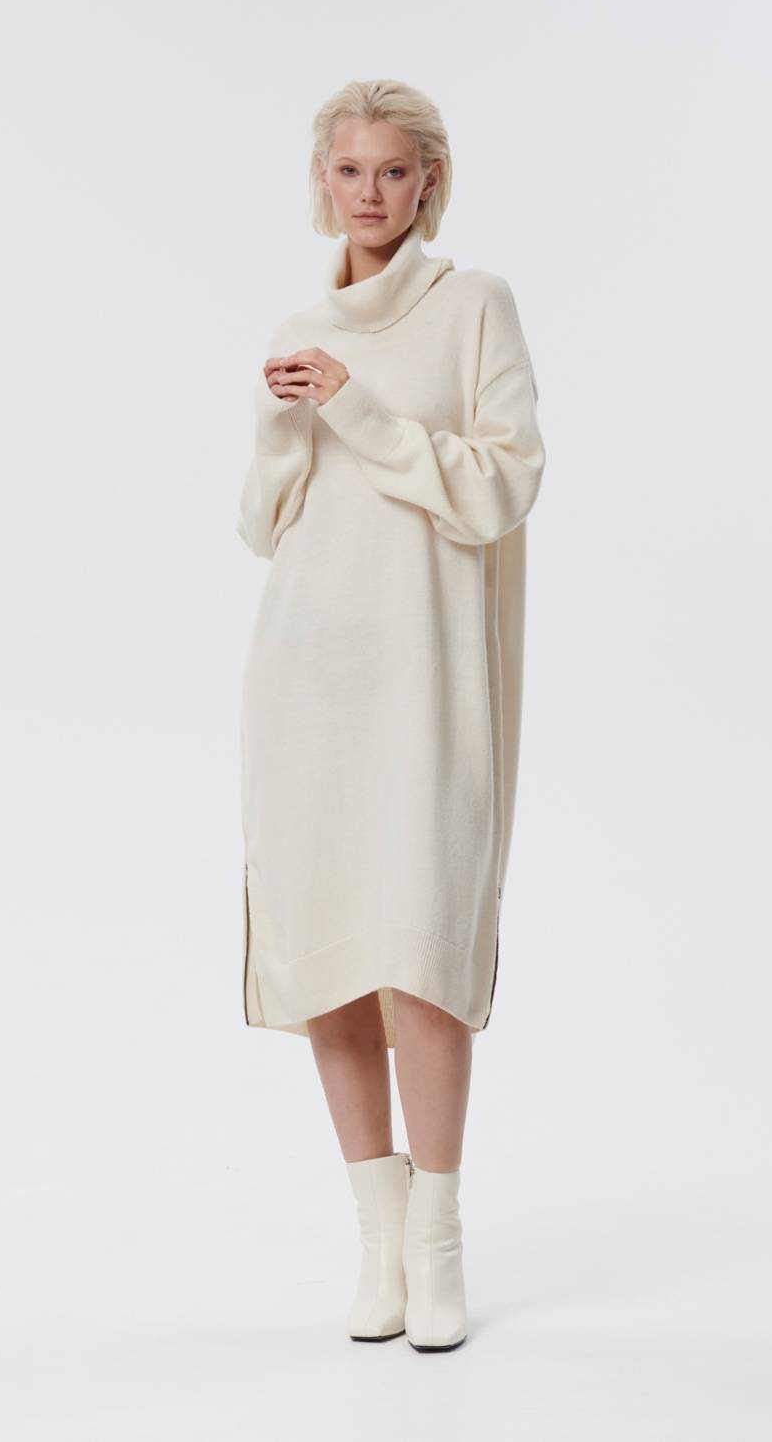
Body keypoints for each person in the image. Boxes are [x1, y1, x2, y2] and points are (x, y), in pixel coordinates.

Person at [235, 78, 546, 1352]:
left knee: (421, 953)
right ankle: (377, 1240)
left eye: (394, 171)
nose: (370, 192)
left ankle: (439, 1240)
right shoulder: (302, 325)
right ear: (324, 181)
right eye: (350, 170)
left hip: (428, 681)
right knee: (329, 962)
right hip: (308, 675)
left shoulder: (475, 307)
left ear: (430, 182)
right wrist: (281, 424)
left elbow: (502, 487)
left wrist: (355, 405)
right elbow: (267, 526)